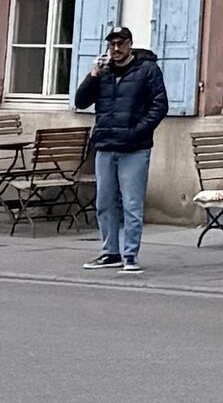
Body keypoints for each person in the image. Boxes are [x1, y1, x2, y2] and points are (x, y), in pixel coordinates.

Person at [74, 24, 169, 274]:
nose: (116, 49)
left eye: (121, 43)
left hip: (135, 148)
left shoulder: (147, 70)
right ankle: (110, 253)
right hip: (105, 145)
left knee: (132, 204)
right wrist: (93, 75)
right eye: (112, 44)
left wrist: (137, 131)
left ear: (130, 45)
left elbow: (159, 106)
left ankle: (130, 255)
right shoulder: (103, 72)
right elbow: (81, 101)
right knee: (104, 203)